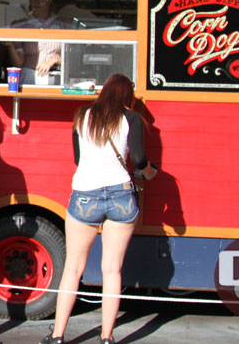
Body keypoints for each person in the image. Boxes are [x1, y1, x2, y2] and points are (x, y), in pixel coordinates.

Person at [41, 73, 158, 344]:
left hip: (85, 195)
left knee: (72, 268)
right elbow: (139, 160)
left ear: (104, 92)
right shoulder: (132, 119)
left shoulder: (82, 115)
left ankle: (58, 335)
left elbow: (78, 158)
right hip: (120, 195)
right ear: (128, 96)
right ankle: (106, 337)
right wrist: (150, 173)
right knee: (112, 270)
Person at [4, 0, 69, 85]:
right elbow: (18, 63)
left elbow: (72, 58)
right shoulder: (21, 25)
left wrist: (53, 61)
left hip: (55, 76)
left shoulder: (63, 25)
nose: (37, 2)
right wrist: (10, 46)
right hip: (29, 76)